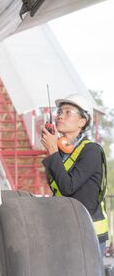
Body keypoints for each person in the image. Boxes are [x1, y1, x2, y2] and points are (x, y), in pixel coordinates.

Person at [41, 93, 108, 254]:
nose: (60, 116)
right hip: (67, 229)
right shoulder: (62, 153)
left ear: (82, 122)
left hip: (88, 233)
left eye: (68, 112)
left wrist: (52, 151)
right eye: (59, 112)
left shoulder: (91, 151)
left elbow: (68, 187)